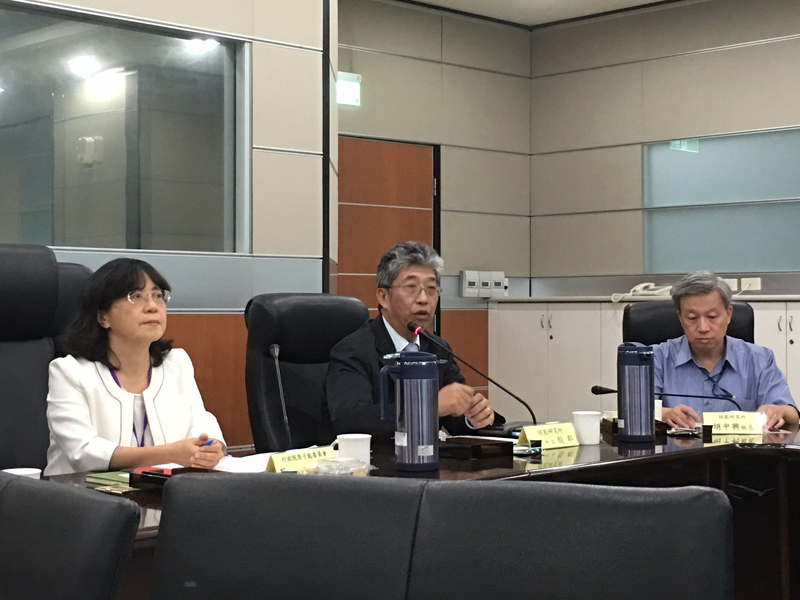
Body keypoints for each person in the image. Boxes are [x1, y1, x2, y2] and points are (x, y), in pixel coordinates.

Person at [44, 258, 226, 476]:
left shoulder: (177, 363)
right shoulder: (70, 372)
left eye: (158, 295)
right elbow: (83, 452)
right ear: (103, 317)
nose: (152, 307)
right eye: (136, 296)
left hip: (163, 491)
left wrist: (211, 447)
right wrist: (169, 453)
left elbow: (201, 420)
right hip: (82, 494)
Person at [324, 241, 503, 438]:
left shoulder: (437, 348)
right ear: (383, 297)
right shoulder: (353, 350)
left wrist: (474, 416)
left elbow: (453, 416)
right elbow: (352, 420)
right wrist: (428, 407)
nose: (424, 299)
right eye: (411, 287)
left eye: (431, 288)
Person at [655, 270, 799, 430]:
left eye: (712, 317)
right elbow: (636, 410)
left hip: (741, 446)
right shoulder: (657, 358)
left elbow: (792, 414)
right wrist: (665, 413)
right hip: (677, 447)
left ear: (729, 314)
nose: (703, 328)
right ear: (680, 318)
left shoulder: (759, 359)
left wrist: (779, 411)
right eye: (692, 318)